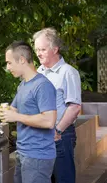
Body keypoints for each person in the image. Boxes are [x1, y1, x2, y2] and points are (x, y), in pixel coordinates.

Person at [0, 41, 57, 183]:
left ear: (22, 60)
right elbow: (9, 112)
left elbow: (49, 121)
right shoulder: (23, 85)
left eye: (9, 63)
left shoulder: (42, 85)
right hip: (23, 153)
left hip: (37, 156)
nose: (7, 67)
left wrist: (16, 116)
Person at [33, 27, 82, 183]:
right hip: (39, 137)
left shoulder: (68, 72)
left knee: (63, 179)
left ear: (55, 49)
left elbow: (74, 108)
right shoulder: (38, 73)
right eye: (36, 49)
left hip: (60, 136)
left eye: (42, 49)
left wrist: (57, 130)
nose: (38, 53)